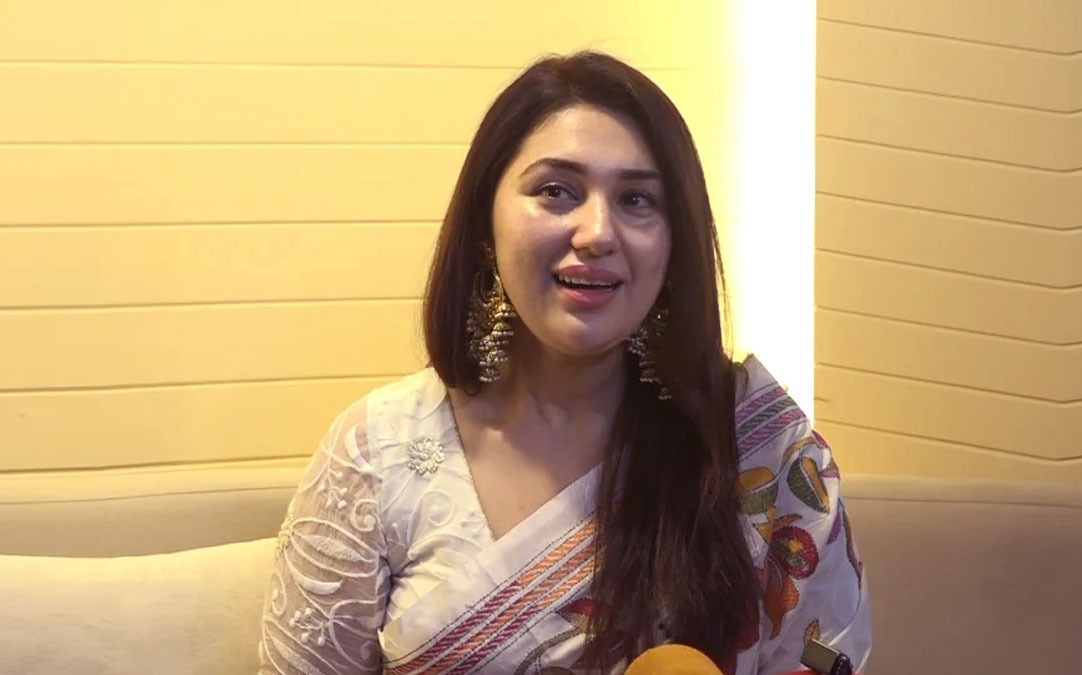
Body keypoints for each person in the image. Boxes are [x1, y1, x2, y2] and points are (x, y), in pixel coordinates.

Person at [257, 51, 871, 675]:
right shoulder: (375, 454)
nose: (597, 232)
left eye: (637, 199)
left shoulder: (759, 447)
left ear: (676, 241)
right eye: (555, 191)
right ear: (485, 222)